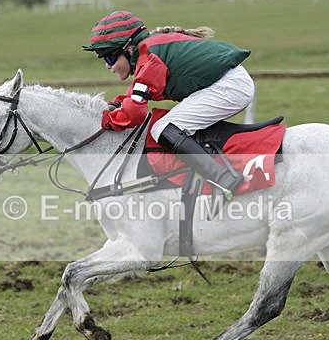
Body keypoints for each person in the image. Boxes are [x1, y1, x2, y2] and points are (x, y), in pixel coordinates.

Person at [82, 10, 254, 202]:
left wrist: (106, 120)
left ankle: (223, 178)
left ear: (128, 49)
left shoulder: (149, 58)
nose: (108, 66)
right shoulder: (148, 51)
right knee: (170, 125)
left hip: (230, 87)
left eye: (109, 58)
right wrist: (116, 104)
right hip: (228, 83)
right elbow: (136, 91)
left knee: (162, 128)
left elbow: (134, 114)